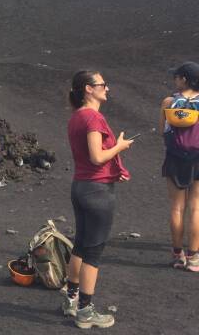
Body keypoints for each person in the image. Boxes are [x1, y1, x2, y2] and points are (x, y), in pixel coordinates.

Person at [61, 70, 132, 328]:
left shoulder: (76, 117)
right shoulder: (93, 118)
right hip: (97, 192)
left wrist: (114, 169)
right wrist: (120, 147)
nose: (107, 88)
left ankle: (71, 300)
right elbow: (97, 157)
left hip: (81, 187)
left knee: (80, 244)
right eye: (102, 84)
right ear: (88, 89)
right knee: (94, 251)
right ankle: (85, 312)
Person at [159, 61, 199, 271]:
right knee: (196, 207)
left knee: (176, 208)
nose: (174, 79)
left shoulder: (168, 102)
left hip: (175, 158)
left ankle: (178, 255)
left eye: (177, 76)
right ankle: (194, 259)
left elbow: (162, 131)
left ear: (184, 79)